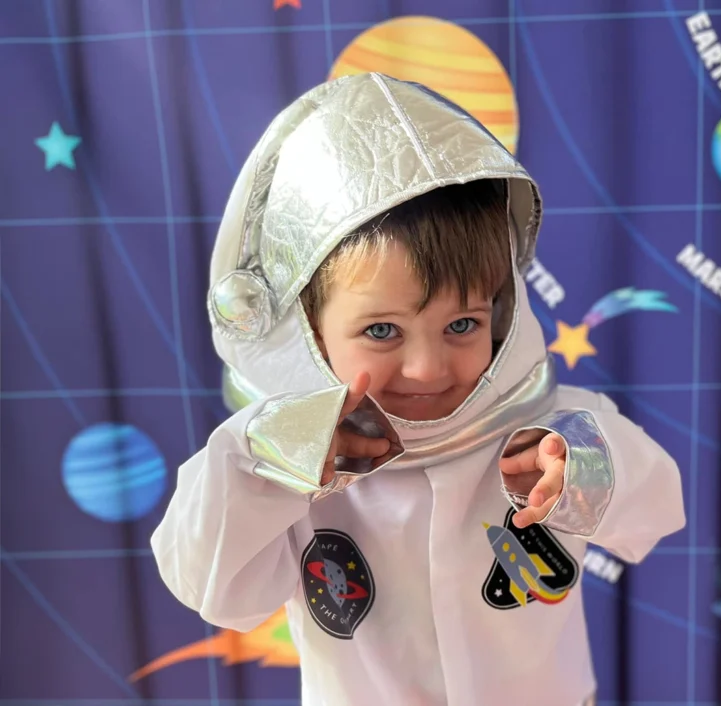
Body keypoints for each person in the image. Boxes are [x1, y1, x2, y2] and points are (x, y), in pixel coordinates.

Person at [151, 72, 686, 706]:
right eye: (382, 330)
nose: (430, 368)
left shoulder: (554, 426)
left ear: (503, 310)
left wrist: (582, 467)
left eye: (463, 324)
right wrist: (264, 463)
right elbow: (215, 589)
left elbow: (654, 510)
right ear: (309, 333)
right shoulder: (288, 461)